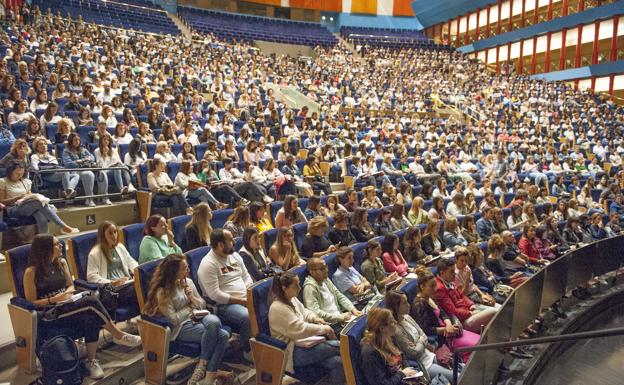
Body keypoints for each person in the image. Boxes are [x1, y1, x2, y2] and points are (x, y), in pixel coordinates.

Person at [24, 235, 140, 379]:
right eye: (56, 244)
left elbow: (71, 285)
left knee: (90, 315)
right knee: (90, 302)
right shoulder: (31, 272)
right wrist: (54, 299)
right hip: (49, 313)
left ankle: (91, 361)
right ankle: (118, 334)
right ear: (45, 248)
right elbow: (30, 302)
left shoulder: (61, 263)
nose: (60, 246)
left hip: (67, 304)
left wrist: (67, 294)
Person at [143, 254, 232, 385]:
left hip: (198, 317)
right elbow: (174, 319)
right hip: (180, 328)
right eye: (184, 268)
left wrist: (193, 299)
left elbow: (202, 304)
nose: (188, 270)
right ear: (174, 271)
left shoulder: (188, 282)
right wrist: (190, 307)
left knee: (214, 322)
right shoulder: (163, 292)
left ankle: (202, 367)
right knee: (222, 336)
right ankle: (208, 376)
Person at [268, 271, 344, 384]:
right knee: (342, 346)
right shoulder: (278, 308)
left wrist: (314, 318)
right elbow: (300, 329)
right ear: (284, 288)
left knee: (337, 362)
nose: (299, 288)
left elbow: (304, 311)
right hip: (293, 353)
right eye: (295, 286)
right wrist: (325, 329)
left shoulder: (292, 298)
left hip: (305, 343)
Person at [197, 229, 253, 361]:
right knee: (248, 316)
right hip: (224, 306)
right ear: (220, 245)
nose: (234, 242)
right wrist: (241, 300)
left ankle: (266, 345)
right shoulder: (208, 264)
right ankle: (248, 350)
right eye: (230, 240)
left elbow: (246, 276)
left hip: (245, 297)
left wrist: (248, 291)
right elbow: (215, 295)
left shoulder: (234, 255)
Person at [410, 268, 479, 363]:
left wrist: (449, 324)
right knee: (476, 346)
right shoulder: (419, 304)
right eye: (432, 286)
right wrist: (445, 330)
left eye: (435, 285)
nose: (435, 288)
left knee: (480, 340)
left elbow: (442, 313)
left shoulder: (430, 297)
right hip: (442, 338)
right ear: (422, 286)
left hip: (450, 330)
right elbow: (424, 329)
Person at [385, 290, 453, 382]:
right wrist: (421, 340)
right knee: (457, 376)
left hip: (431, 355)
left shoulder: (407, 317)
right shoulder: (396, 330)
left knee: (460, 367)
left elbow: (423, 334)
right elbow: (413, 353)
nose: (409, 305)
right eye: (404, 303)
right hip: (423, 365)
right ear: (396, 307)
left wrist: (418, 342)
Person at [0, 160, 78, 234]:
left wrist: (30, 196)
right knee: (38, 203)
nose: (19, 176)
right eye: (17, 173)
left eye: (22, 173)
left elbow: (29, 195)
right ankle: (63, 226)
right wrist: (17, 198)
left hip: (25, 205)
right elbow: (2, 201)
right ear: (10, 172)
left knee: (39, 213)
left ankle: (45, 238)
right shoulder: (3, 181)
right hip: (11, 209)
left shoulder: (25, 181)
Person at [87, 221, 139, 315]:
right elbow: (91, 277)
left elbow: (131, 262)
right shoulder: (95, 253)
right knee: (141, 289)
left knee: (146, 284)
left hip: (126, 283)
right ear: (103, 235)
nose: (114, 235)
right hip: (112, 290)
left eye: (115, 232)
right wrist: (111, 282)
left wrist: (138, 272)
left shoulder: (120, 247)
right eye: (110, 233)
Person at [360, 308, 423, 385]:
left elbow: (402, 357)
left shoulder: (389, 337)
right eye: (392, 322)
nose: (395, 322)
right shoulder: (369, 353)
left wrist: (408, 371)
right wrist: (402, 374)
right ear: (382, 328)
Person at [434, 259, 498, 334]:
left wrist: (471, 305)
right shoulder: (440, 288)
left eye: (454, 271)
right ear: (442, 273)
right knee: (495, 311)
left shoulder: (448, 281)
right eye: (451, 272)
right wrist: (470, 313)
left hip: (467, 311)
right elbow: (452, 311)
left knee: (498, 308)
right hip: (462, 321)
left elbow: (462, 296)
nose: (454, 274)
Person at [303, 256, 361, 327]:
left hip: (340, 317)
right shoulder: (309, 288)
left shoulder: (325, 279)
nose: (326, 270)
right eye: (322, 268)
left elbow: (339, 295)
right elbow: (315, 312)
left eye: (326, 266)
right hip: (328, 325)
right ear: (312, 272)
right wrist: (340, 317)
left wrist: (352, 309)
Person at [62, 133, 108, 207]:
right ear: (70, 141)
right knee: (88, 174)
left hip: (88, 167)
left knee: (102, 172)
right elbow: (68, 164)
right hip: (76, 170)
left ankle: (104, 198)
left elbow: (92, 158)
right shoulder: (66, 151)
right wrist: (82, 161)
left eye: (78, 140)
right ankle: (89, 200)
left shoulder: (83, 149)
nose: (77, 142)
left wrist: (82, 160)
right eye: (75, 140)